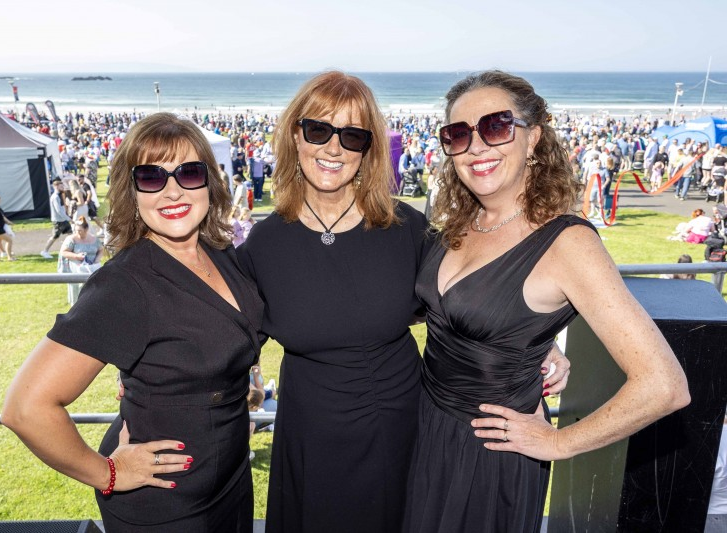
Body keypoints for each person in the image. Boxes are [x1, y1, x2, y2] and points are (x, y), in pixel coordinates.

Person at [237, 71, 570, 533]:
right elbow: (220, 327)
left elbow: (467, 295)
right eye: (318, 130)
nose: (333, 148)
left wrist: (534, 342)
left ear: (367, 149)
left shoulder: (405, 228)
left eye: (352, 136)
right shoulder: (264, 244)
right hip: (311, 437)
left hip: (405, 432)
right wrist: (143, 399)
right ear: (296, 135)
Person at [403, 70, 690, 533]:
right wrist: (531, 341)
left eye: (495, 126)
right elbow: (458, 313)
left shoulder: (568, 244)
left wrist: (561, 443)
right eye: (458, 134)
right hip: (424, 422)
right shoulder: (460, 219)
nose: (476, 146)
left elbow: (665, 385)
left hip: (488, 456)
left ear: (533, 138)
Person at [2, 113, 264, 532]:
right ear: (132, 191)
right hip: (166, 501)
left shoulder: (220, 254)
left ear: (209, 184)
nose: (173, 191)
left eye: (189, 173)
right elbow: (24, 408)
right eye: (151, 177)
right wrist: (108, 473)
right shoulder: (125, 284)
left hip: (230, 479)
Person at [59, 216, 105, 304]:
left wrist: (97, 260)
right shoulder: (71, 239)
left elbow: (101, 249)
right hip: (76, 269)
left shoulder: (94, 239)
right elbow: (63, 252)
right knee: (77, 291)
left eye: (80, 231)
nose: (78, 233)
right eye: (76, 230)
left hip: (91, 269)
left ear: (86, 229)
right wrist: (76, 256)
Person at [40, 178, 73, 259]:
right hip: (58, 221)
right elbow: (58, 210)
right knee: (55, 236)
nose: (63, 188)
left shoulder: (60, 195)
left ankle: (70, 250)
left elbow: (62, 208)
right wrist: (68, 218)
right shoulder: (55, 197)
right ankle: (45, 251)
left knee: (71, 234)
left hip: (63, 220)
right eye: (61, 186)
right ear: (56, 187)